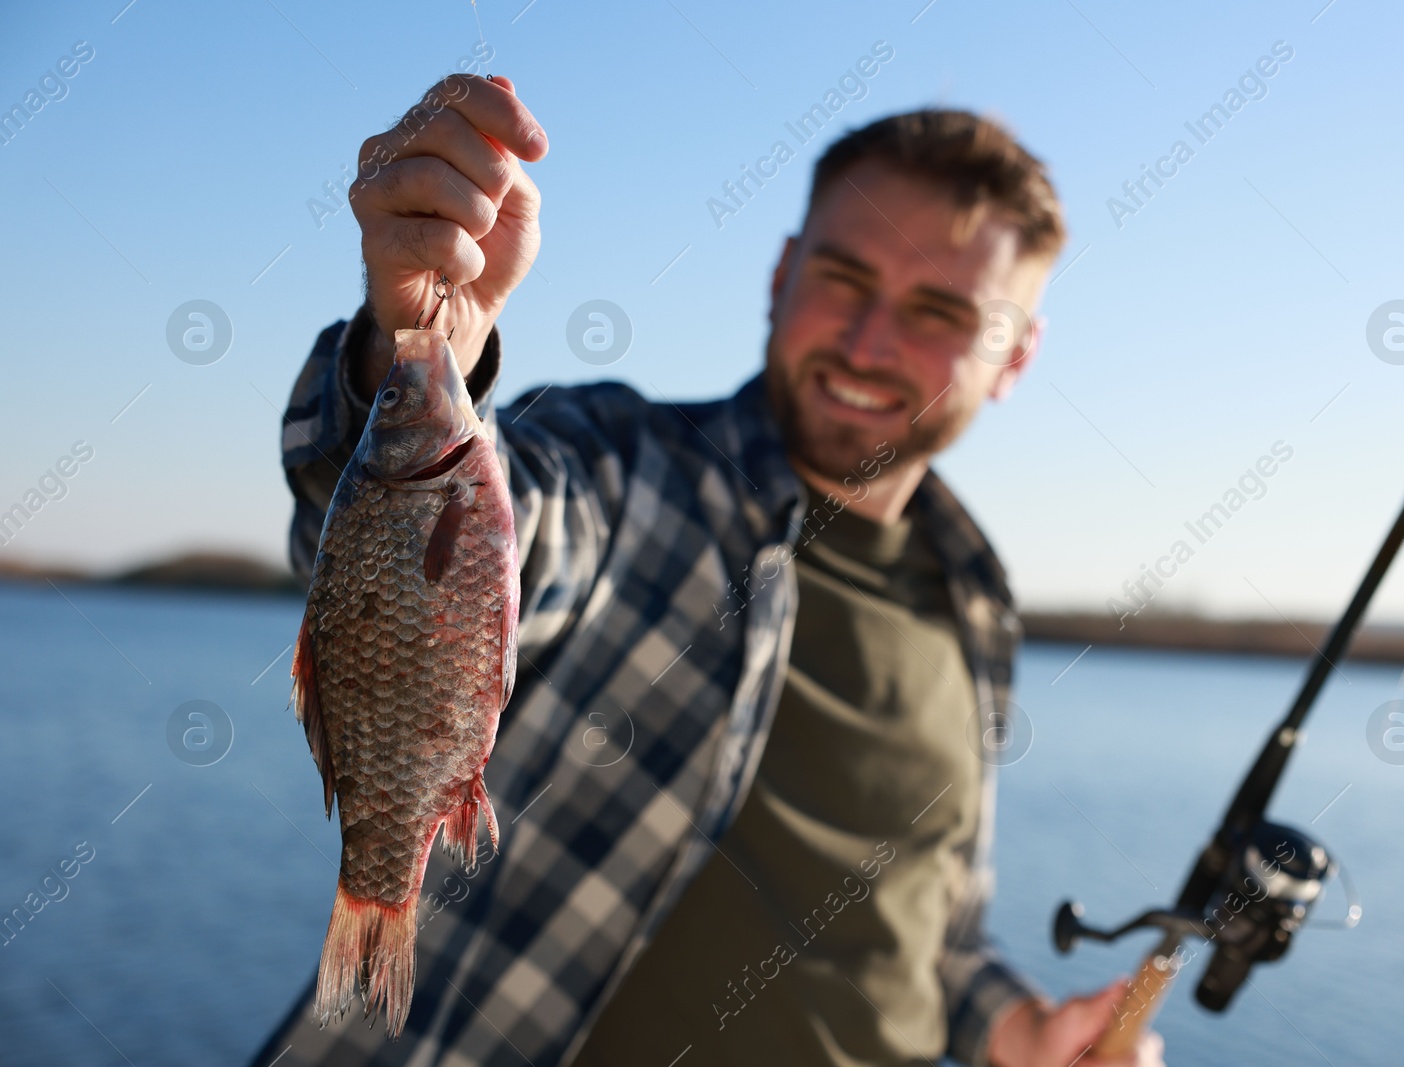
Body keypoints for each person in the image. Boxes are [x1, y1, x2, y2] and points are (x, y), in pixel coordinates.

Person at [253, 72, 1164, 1067]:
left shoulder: (973, 599)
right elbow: (454, 532)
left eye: (939, 310)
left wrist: (1013, 1027)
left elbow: (929, 929)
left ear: (1015, 356)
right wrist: (424, 346)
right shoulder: (627, 466)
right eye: (843, 279)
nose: (868, 341)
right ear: (780, 274)